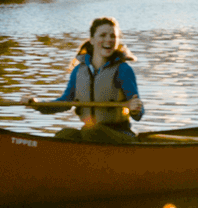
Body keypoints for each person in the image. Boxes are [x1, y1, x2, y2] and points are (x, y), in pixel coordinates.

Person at [25, 16, 144, 144]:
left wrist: (135, 109)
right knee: (64, 134)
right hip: (91, 134)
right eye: (103, 35)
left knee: (90, 131)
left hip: (121, 137)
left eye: (113, 36)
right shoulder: (78, 71)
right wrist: (37, 105)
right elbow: (64, 102)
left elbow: (139, 112)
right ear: (92, 40)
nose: (109, 40)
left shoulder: (123, 69)